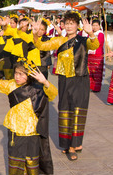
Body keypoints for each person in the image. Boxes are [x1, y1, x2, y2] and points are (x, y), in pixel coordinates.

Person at [33, 11, 99, 161]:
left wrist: (91, 33)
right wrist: (36, 33)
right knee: (64, 110)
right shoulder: (60, 40)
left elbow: (94, 44)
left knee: (77, 110)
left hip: (80, 79)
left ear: (77, 25)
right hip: (64, 80)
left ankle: (73, 146)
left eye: (72, 23)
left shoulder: (83, 40)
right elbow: (41, 45)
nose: (69, 26)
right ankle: (67, 143)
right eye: (67, 23)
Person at [87, 19, 105, 93]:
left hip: (97, 55)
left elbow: (99, 43)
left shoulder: (100, 34)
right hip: (90, 55)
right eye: (93, 25)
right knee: (90, 72)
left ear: (99, 26)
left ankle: (96, 87)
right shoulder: (90, 33)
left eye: (96, 25)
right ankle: (90, 86)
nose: (94, 27)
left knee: (96, 73)